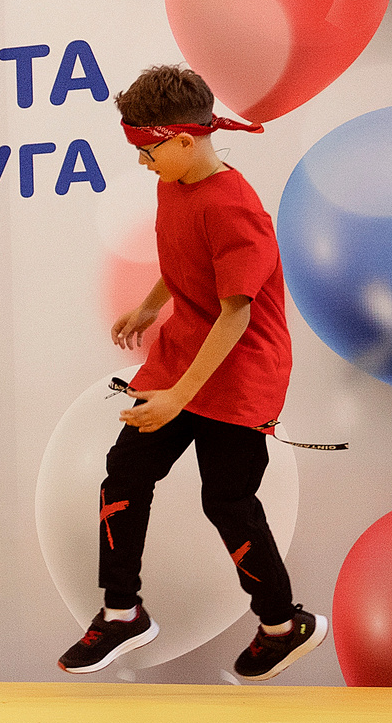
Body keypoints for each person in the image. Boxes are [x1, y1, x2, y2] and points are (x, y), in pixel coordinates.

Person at [59, 65, 326, 681]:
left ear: (182, 140)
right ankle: (121, 611)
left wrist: (177, 400)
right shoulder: (174, 184)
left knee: (227, 500)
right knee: (125, 472)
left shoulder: (235, 209)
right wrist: (152, 304)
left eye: (148, 152)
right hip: (184, 353)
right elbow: (184, 262)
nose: (144, 165)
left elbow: (236, 316)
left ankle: (283, 624)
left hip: (239, 372)